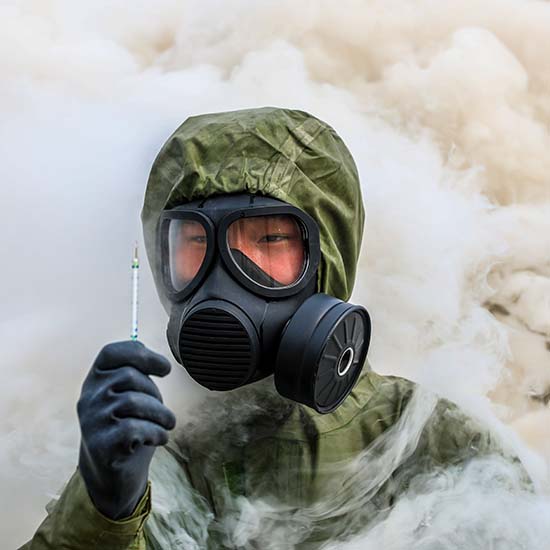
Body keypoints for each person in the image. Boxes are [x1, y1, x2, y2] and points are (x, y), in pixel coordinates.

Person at [21, 107, 531, 550]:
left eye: (268, 240)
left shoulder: (421, 434)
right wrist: (103, 509)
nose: (222, 280)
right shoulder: (162, 458)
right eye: (195, 246)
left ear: (327, 257)